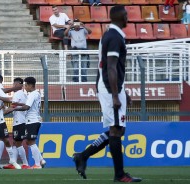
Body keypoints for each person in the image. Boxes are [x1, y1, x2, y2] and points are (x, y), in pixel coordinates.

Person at [73, 5, 142, 182]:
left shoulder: (114, 35)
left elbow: (114, 67)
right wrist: (115, 94)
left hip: (114, 87)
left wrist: (123, 90)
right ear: (119, 17)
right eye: (126, 15)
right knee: (116, 130)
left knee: (119, 129)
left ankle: (83, 155)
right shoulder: (113, 37)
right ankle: (119, 174)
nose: (128, 18)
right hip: (109, 88)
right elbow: (110, 67)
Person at [7, 77, 45, 169]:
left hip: (32, 120)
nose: (25, 87)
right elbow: (27, 105)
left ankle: (37, 164)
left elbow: (27, 107)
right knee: (28, 141)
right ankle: (40, 160)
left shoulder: (32, 94)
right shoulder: (36, 94)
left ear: (31, 85)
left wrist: (15, 108)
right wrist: (19, 105)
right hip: (32, 120)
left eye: (26, 85)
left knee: (31, 142)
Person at [2, 78, 30, 169]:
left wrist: (2, 113)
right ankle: (12, 162)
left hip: (19, 121)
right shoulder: (22, 94)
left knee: (18, 143)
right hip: (19, 121)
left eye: (14, 84)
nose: (13, 86)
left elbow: (12, 107)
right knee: (15, 142)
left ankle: (25, 163)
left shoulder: (18, 94)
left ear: (19, 84)